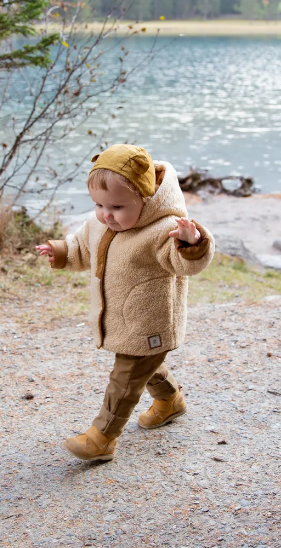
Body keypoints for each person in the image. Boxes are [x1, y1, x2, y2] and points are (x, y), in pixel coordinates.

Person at [36, 144, 215, 461]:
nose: (106, 213)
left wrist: (192, 244)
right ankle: (170, 402)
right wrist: (61, 251)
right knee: (144, 367)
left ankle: (102, 438)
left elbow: (185, 264)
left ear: (146, 201)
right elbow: (82, 247)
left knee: (125, 379)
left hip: (151, 322)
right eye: (98, 204)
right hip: (124, 321)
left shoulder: (164, 230)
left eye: (117, 206)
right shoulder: (101, 224)